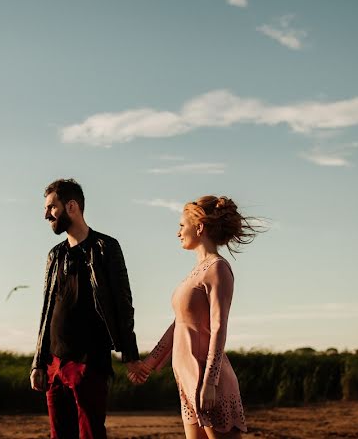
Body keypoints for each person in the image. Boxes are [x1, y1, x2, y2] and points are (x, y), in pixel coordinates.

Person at [131, 196, 262, 439]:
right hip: (187, 380)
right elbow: (180, 324)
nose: (178, 232)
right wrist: (149, 363)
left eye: (182, 225)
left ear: (199, 227)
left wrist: (210, 383)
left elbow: (219, 327)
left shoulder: (218, 268)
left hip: (208, 382)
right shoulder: (194, 272)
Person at [30, 178, 147, 439]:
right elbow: (46, 309)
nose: (46, 214)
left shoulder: (106, 247)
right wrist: (39, 362)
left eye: (51, 207)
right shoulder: (55, 255)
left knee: (91, 434)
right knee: (59, 435)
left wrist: (130, 354)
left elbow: (123, 304)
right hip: (55, 362)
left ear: (71, 206)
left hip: (90, 361)